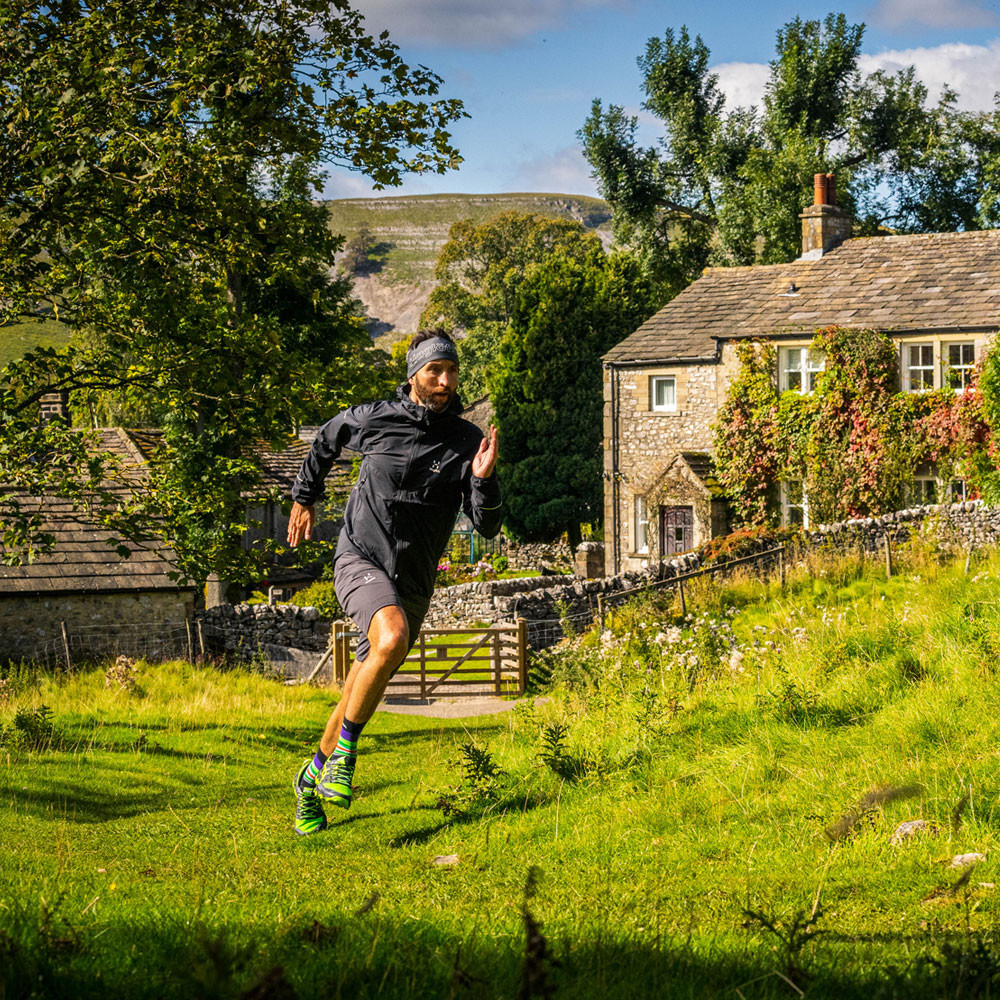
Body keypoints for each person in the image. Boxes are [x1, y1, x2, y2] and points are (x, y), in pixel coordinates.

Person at [285, 328, 502, 835]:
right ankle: (344, 758)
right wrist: (304, 496)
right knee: (391, 638)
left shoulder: (468, 441)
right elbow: (325, 437)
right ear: (414, 375)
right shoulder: (375, 419)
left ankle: (310, 778)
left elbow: (486, 525)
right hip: (360, 557)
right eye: (435, 370)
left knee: (365, 675)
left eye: (451, 370)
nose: (446, 380)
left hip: (414, 581)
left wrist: (485, 479)